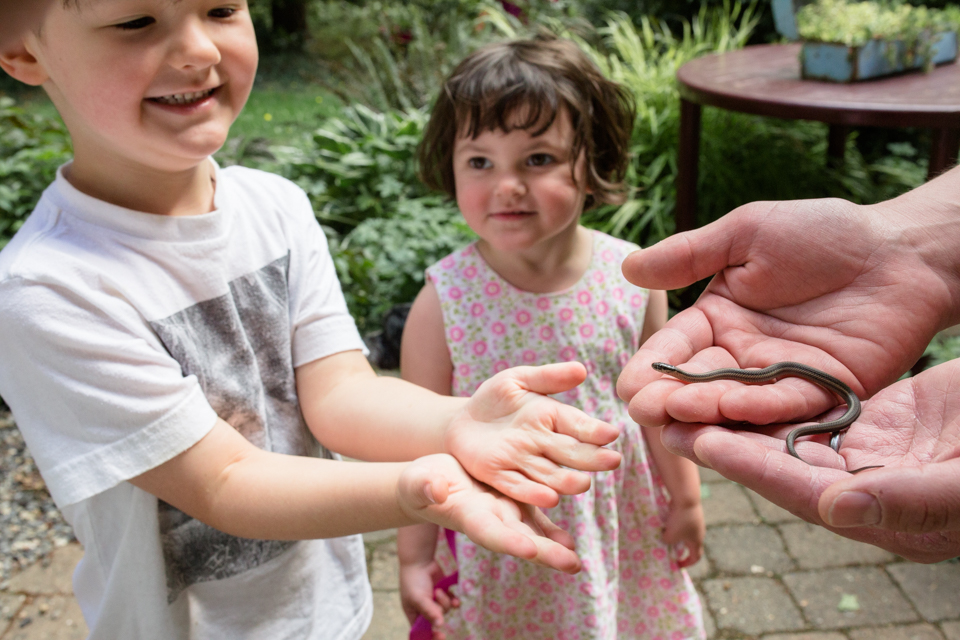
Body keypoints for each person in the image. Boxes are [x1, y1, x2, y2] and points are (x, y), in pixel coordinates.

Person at [0, 3, 625, 638]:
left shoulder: (275, 208)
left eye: (220, 9)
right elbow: (223, 481)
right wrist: (419, 488)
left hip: (327, 611)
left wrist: (455, 421)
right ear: (24, 51)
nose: (199, 50)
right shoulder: (50, 289)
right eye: (136, 22)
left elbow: (342, 394)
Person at [399, 35, 707, 640]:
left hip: (619, 521)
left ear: (591, 160)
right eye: (480, 162)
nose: (506, 185)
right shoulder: (443, 302)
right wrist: (414, 555)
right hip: (504, 529)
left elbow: (659, 406)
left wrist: (688, 501)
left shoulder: (633, 279)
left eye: (537, 159)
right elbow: (418, 438)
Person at [616, 164, 960, 563]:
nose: (667, 371)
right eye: (667, 371)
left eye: (667, 370)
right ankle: (808, 434)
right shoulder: (694, 372)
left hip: (822, 384)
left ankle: (808, 434)